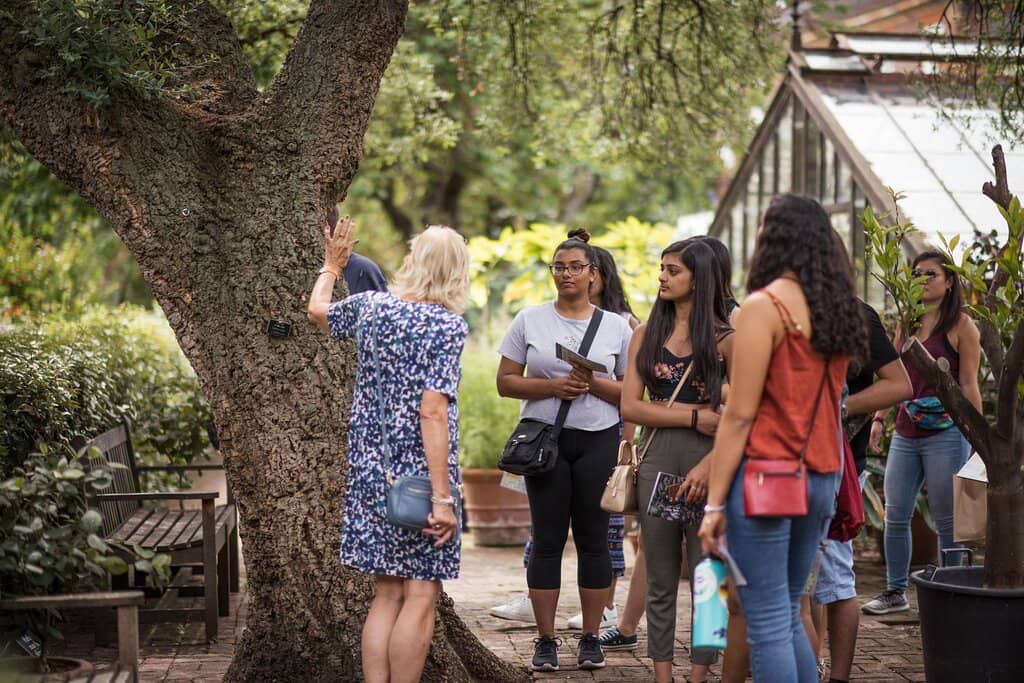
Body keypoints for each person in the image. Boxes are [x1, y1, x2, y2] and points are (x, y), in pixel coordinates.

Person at [699, 194, 868, 683]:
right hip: (823, 477)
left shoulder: (764, 306)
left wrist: (713, 506)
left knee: (768, 620)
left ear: (774, 236)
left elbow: (738, 416)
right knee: (789, 609)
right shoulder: (835, 310)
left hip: (767, 478)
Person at [307, 217, 470, 683]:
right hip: (421, 479)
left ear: (413, 261)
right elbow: (432, 413)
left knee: (386, 595)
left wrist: (332, 266)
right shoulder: (447, 326)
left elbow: (318, 310)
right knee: (420, 595)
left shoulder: (373, 308)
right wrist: (442, 498)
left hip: (369, 474)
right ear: (457, 273)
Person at [489, 230, 639, 630]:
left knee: (594, 541)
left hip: (599, 439)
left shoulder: (617, 327)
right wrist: (551, 387)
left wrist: (592, 384)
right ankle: (545, 638)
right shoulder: (530, 319)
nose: (566, 274)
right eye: (559, 267)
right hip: (546, 442)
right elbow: (505, 382)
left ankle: (591, 635)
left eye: (575, 267)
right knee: (547, 540)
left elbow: (632, 392)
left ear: (593, 274)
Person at [621, 239, 734, 683]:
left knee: (710, 577)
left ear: (699, 278)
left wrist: (710, 457)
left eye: (674, 271)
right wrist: (694, 415)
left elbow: (744, 411)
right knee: (661, 575)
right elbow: (630, 407)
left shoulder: (728, 340)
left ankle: (700, 674)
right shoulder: (645, 334)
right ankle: (663, 675)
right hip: (657, 461)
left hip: (712, 464)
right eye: (662, 269)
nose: (663, 277)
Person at [862, 250, 982, 616]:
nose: (922, 279)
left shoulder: (963, 326)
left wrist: (979, 440)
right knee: (895, 512)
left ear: (949, 282)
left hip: (947, 432)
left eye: (930, 273)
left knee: (947, 517)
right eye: (916, 274)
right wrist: (880, 418)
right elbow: (895, 376)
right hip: (907, 430)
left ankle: (951, 591)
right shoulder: (907, 321)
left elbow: (970, 384)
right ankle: (895, 592)